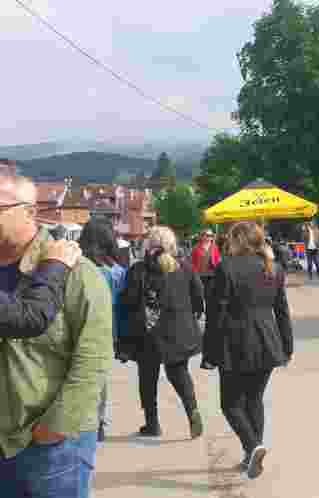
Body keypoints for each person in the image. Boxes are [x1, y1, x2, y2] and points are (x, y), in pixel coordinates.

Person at [0, 175, 112, 498]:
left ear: (30, 212)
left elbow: (93, 359)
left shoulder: (78, 272)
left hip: (52, 446)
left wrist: (57, 425)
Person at [202, 221, 293, 479]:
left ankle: (253, 447)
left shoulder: (226, 267)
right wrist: (287, 346)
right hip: (267, 341)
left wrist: (209, 352)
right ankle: (252, 452)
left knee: (230, 403)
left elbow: (215, 315)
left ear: (237, 240)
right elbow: (282, 311)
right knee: (253, 399)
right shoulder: (273, 267)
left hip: (235, 342)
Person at [120, 226, 205, 438]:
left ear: (149, 245)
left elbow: (128, 301)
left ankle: (152, 424)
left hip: (148, 334)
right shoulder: (184, 267)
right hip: (179, 331)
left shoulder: (139, 270)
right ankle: (192, 411)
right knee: (179, 373)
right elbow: (198, 295)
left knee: (148, 378)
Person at [78, 218, 129, 442]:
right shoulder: (116, 272)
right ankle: (97, 422)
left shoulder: (74, 264)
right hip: (106, 331)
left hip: (76, 327)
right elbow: (121, 304)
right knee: (99, 377)